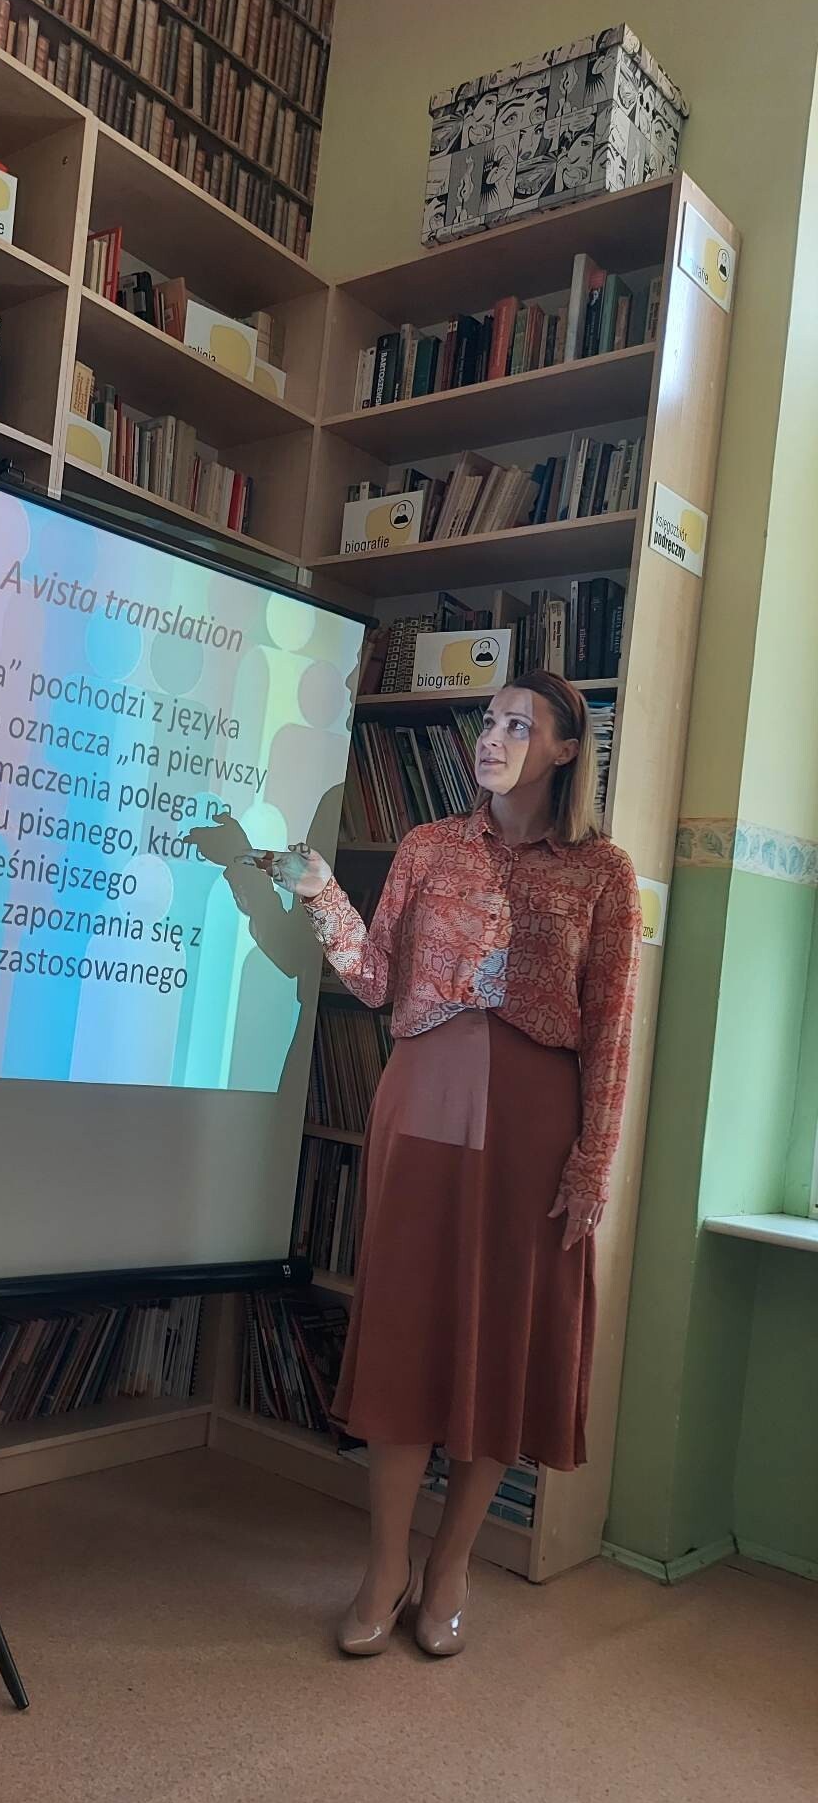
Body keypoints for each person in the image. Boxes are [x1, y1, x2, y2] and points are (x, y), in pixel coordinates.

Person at [252, 671, 640, 1658]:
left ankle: (451, 1566)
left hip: (535, 1125)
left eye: (519, 725)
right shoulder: (427, 846)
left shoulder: (603, 870)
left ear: (564, 750)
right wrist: (320, 892)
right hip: (422, 1098)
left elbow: (611, 1029)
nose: (493, 737)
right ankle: (384, 1566)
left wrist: (593, 1162)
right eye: (489, 721)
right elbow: (376, 977)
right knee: (407, 1337)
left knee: (499, 1345)